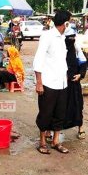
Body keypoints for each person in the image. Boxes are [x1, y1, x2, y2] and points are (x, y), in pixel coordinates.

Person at [33, 10, 72, 154]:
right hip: (48, 83)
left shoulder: (63, 38)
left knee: (60, 113)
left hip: (62, 83)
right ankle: (42, 142)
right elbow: (39, 59)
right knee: (45, 112)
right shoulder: (47, 36)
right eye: (70, 21)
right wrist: (39, 82)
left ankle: (56, 141)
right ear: (65, 22)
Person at [63, 27, 87, 139]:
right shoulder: (60, 48)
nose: (72, 39)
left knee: (77, 105)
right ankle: (51, 130)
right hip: (61, 82)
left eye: (73, 37)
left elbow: (83, 62)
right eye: (69, 37)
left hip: (74, 81)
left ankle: (80, 128)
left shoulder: (76, 48)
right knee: (59, 106)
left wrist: (80, 75)